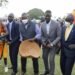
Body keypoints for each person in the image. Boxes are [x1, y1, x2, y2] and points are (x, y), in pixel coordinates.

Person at [41, 10, 61, 75]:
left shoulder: (56, 24)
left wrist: (52, 44)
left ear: (50, 16)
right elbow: (41, 35)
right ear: (44, 16)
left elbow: (59, 36)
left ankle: (51, 73)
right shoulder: (42, 24)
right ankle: (47, 70)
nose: (46, 17)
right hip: (45, 45)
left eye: (48, 16)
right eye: (45, 16)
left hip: (53, 45)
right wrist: (43, 42)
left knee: (51, 59)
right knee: (44, 57)